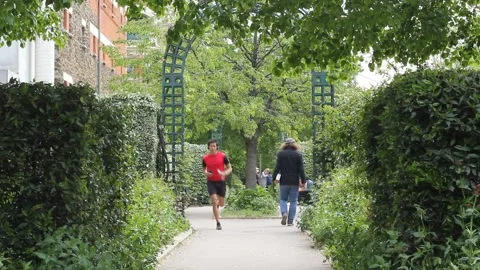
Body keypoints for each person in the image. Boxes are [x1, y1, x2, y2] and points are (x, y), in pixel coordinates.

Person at [272, 138, 306, 226]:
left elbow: (277, 167)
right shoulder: (298, 154)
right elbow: (301, 169)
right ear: (295, 144)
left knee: (283, 199)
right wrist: (303, 180)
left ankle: (284, 213)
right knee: (293, 201)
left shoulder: (281, 154)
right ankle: (290, 221)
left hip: (283, 181)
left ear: (285, 144)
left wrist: (274, 178)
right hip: (294, 181)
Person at [202, 139, 232, 230]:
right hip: (211, 182)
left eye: (214, 146)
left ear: (217, 147)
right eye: (211, 146)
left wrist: (224, 173)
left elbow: (230, 168)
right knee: (215, 201)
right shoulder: (205, 158)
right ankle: (218, 223)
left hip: (221, 181)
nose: (212, 148)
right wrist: (206, 173)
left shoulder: (222, 156)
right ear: (208, 147)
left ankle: (218, 207)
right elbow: (204, 170)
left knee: (221, 204)